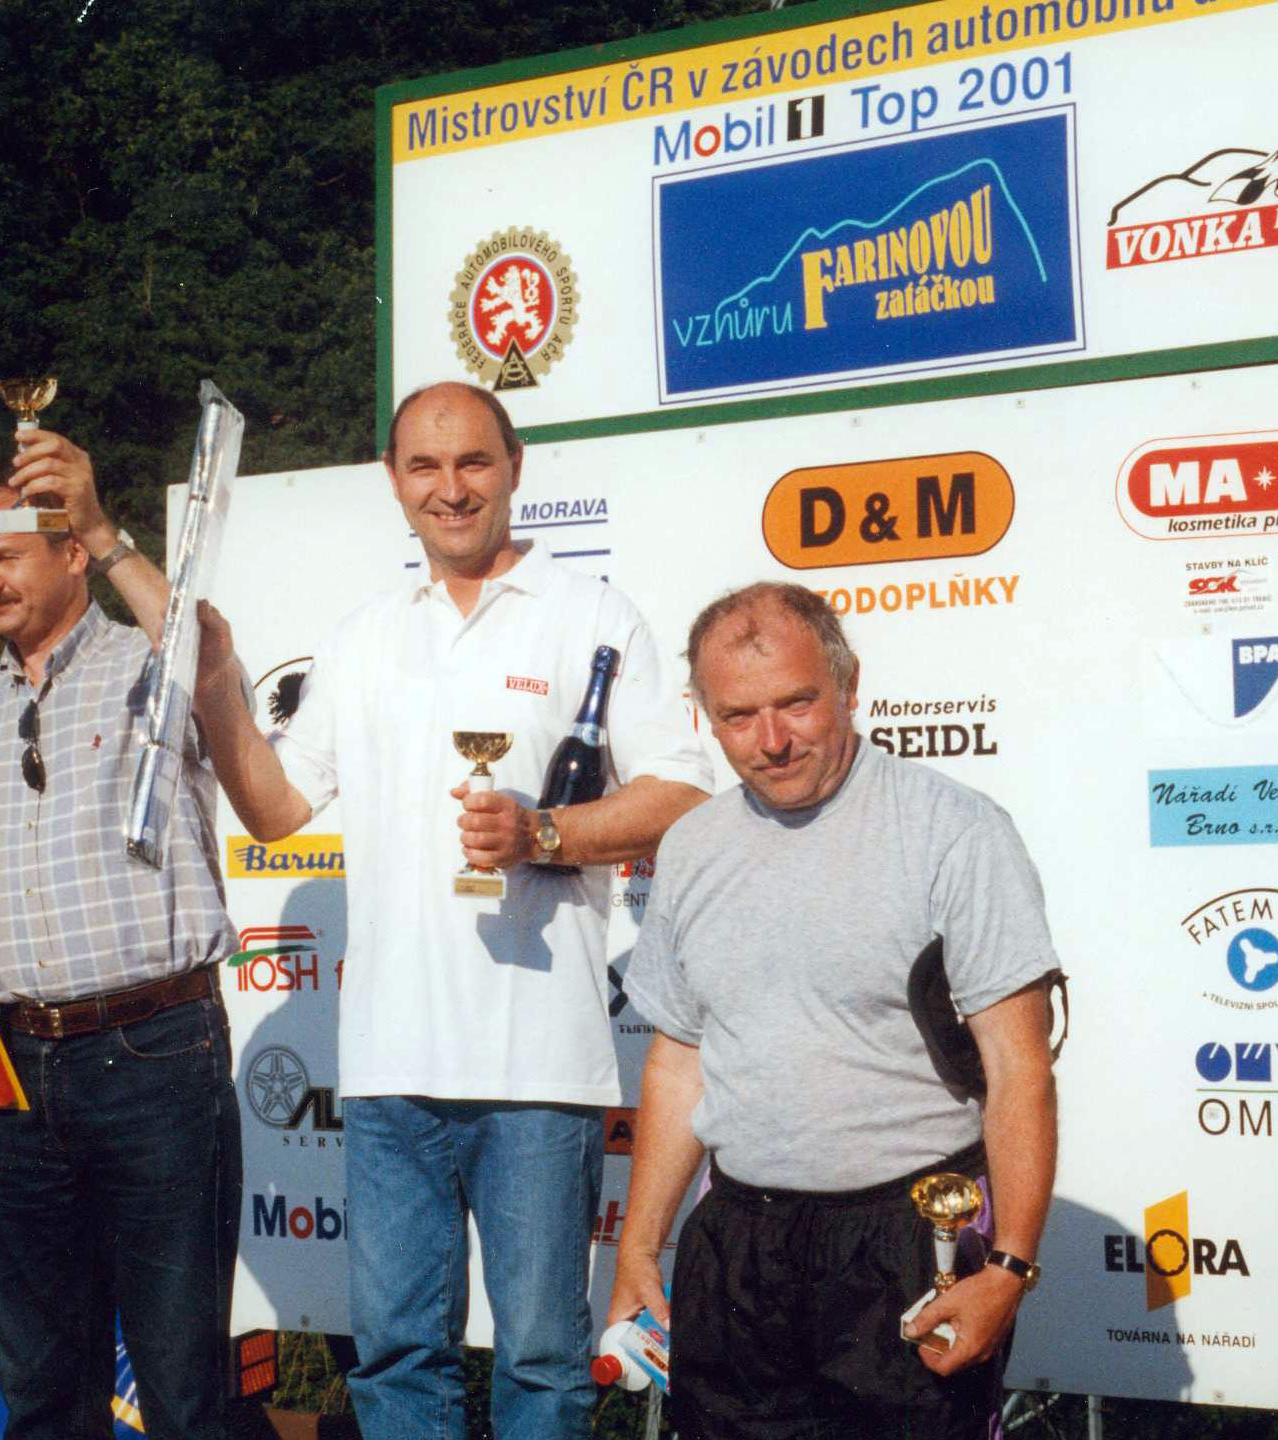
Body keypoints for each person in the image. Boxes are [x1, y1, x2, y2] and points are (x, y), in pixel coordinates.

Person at [192, 381, 712, 1440]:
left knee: (542, 1362)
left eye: (472, 461)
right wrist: (215, 687)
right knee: (394, 1362)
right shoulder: (364, 636)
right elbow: (276, 809)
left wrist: (544, 834)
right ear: (393, 482)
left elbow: (684, 793)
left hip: (538, 1069)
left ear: (514, 466)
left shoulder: (592, 615)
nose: (451, 488)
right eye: (424, 467)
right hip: (389, 1070)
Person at [607, 581, 1060, 1440]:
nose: (772, 741)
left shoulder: (955, 832)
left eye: (797, 703)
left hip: (908, 1241)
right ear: (704, 718)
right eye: (739, 716)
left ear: (850, 685)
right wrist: (637, 1249)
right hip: (737, 1248)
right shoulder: (692, 848)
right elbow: (677, 1063)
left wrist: (1007, 1268)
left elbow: (1019, 1068)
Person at [0, 425, 243, 1440]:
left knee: (182, 1389)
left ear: (71, 556)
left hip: (156, 1058)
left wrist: (102, 521)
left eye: (5, 556)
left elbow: (204, 650)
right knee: (42, 1393)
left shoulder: (151, 664)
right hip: (11, 1069)